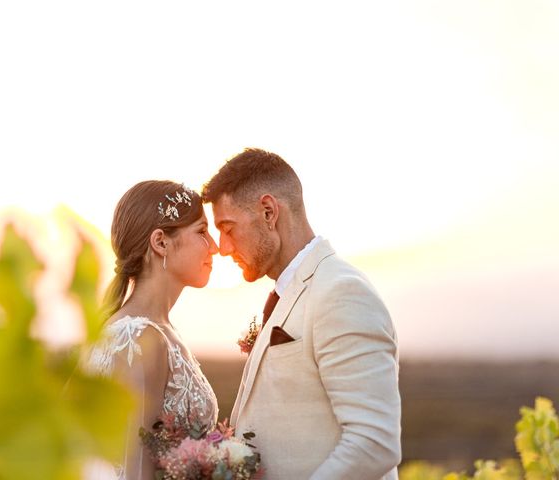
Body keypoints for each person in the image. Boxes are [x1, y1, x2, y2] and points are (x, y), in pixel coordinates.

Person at [202, 149, 402, 480]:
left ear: (268, 212)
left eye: (228, 227)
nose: (223, 247)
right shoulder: (290, 293)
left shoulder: (340, 292)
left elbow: (374, 443)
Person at [83, 180, 220, 480]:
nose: (215, 246)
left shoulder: (158, 331)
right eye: (201, 231)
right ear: (161, 242)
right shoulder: (141, 338)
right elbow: (133, 469)